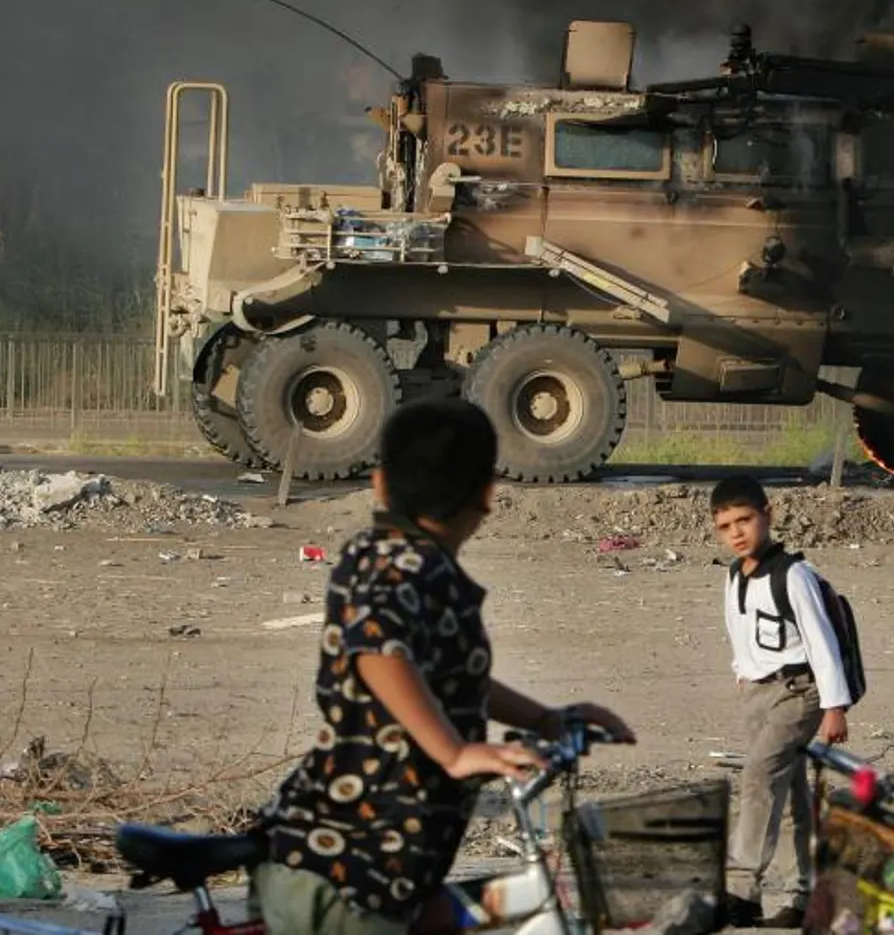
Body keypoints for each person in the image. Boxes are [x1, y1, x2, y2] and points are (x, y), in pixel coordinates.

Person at [252, 397, 636, 935]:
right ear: (486, 494)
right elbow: (377, 652)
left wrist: (546, 719)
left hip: (371, 866)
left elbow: (452, 681)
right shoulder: (407, 564)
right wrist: (453, 752)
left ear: (380, 484)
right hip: (350, 868)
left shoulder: (382, 554)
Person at [712, 476, 852, 930]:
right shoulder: (733, 576)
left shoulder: (794, 575)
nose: (736, 533)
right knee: (788, 793)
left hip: (800, 693)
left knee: (757, 777)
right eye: (725, 525)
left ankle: (740, 889)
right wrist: (743, 671)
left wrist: (834, 706)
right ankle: (798, 895)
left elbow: (821, 642)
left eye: (745, 520)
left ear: (768, 514)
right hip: (758, 693)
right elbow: (738, 629)